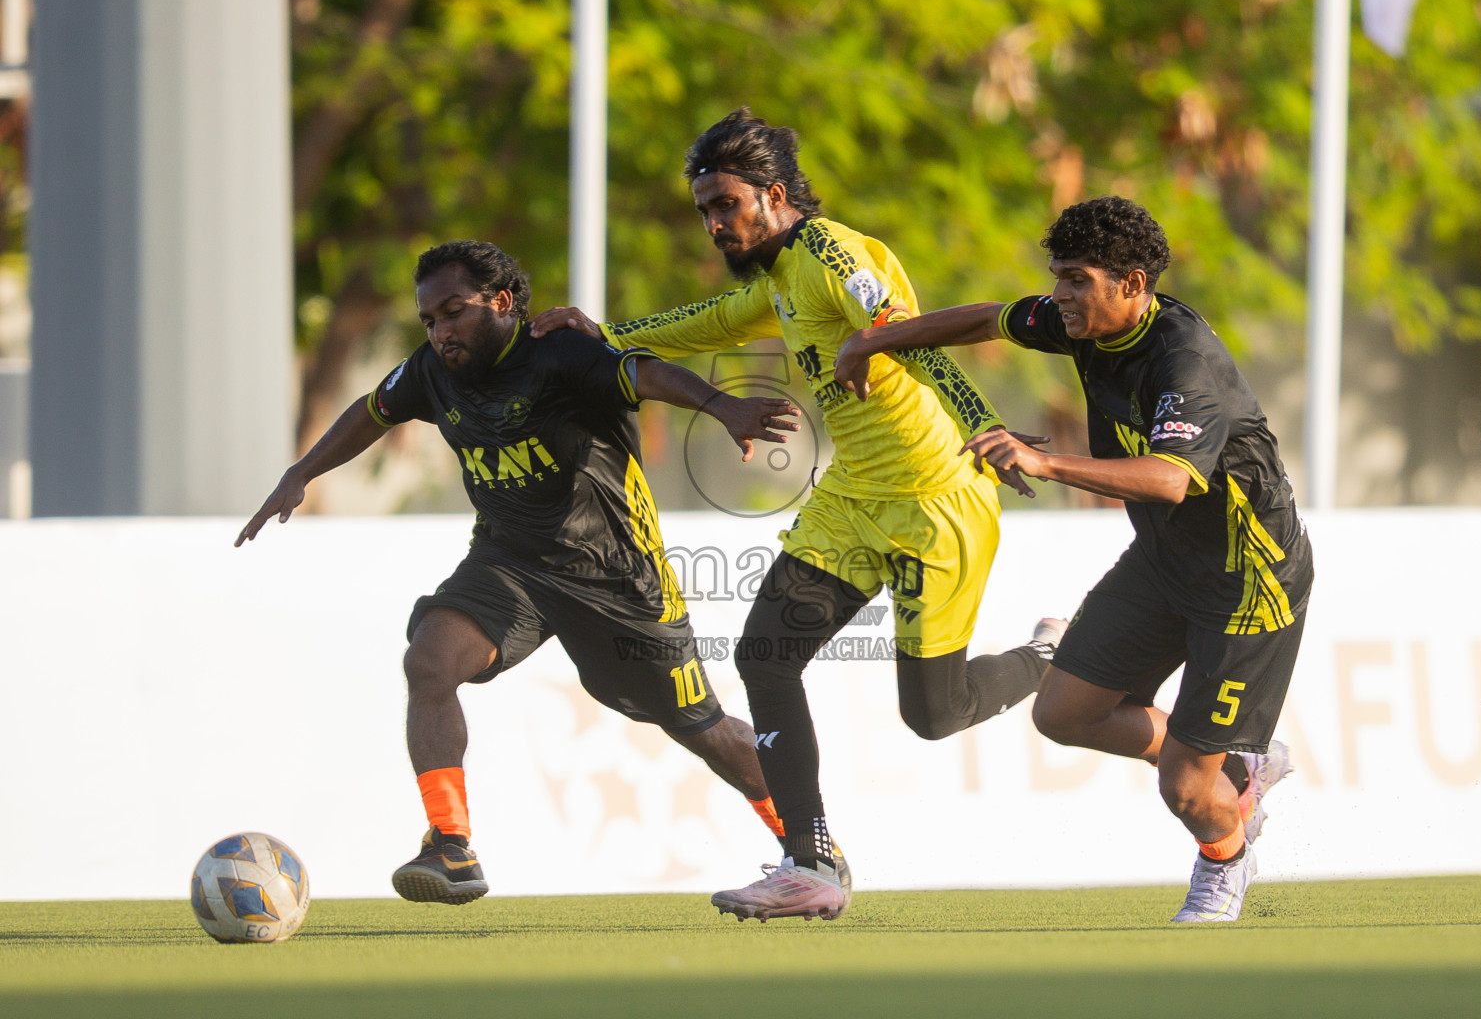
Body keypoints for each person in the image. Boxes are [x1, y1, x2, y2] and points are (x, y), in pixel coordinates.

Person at [532, 109, 1063, 922]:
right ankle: (810, 861)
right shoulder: (777, 276)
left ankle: (1048, 656)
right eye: (705, 209)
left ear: (774, 195)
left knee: (933, 715)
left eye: (725, 206)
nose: (714, 224)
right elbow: (711, 322)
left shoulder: (834, 255)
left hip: (935, 501)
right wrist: (607, 334)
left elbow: (910, 341)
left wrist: (982, 425)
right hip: (854, 499)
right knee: (765, 657)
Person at [237, 240, 803, 906]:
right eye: (429, 320)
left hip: (614, 577)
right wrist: (302, 471)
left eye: (453, 312)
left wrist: (721, 405)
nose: (441, 331)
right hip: (508, 562)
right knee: (430, 662)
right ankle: (451, 846)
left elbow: (643, 374)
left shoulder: (560, 353)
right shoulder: (434, 371)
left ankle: (807, 843)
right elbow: (372, 409)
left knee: (706, 732)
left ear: (502, 302)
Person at [833, 195, 1311, 923]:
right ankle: (1240, 767)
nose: (1061, 296)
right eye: (1057, 277)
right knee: (1063, 712)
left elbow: (1171, 479)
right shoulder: (1078, 320)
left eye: (1078, 280)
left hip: (1247, 580)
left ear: (1134, 284)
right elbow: (985, 316)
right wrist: (876, 340)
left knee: (1185, 790)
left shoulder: (1185, 361)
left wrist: (1045, 464)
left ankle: (1226, 854)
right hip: (1163, 563)